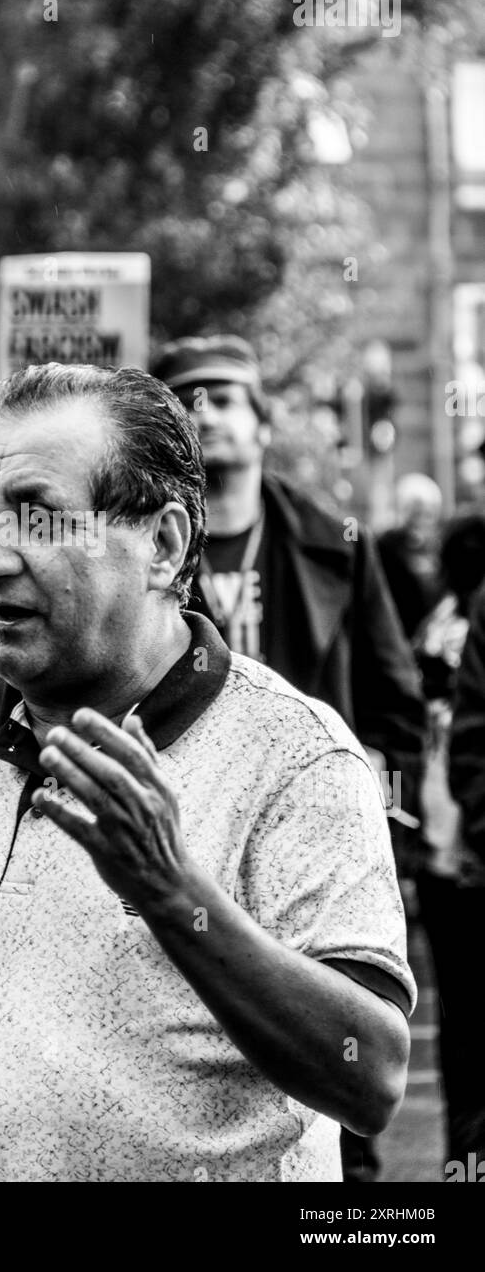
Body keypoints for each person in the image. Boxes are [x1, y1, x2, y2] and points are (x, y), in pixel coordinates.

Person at [0, 362, 413, 1184]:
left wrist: (171, 892)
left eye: (38, 518)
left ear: (164, 543)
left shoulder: (292, 753)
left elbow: (371, 1079)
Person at [150, 335, 426, 1182]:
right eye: (187, 399)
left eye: (225, 397)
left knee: (342, 1076)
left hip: (308, 846)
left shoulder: (333, 542)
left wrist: (374, 811)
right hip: (182, 837)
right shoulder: (144, 552)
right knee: (206, 1062)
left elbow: (394, 700)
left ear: (263, 425)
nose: (207, 415)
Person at [411, 512, 485, 1172]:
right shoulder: (460, 628)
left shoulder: (435, 626)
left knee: (464, 1040)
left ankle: (464, 1163)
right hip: (461, 857)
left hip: (443, 852)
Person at [377, 474, 444, 640]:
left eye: (428, 514)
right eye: (416, 513)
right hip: (397, 633)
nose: (421, 521)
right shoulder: (385, 546)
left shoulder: (437, 546)